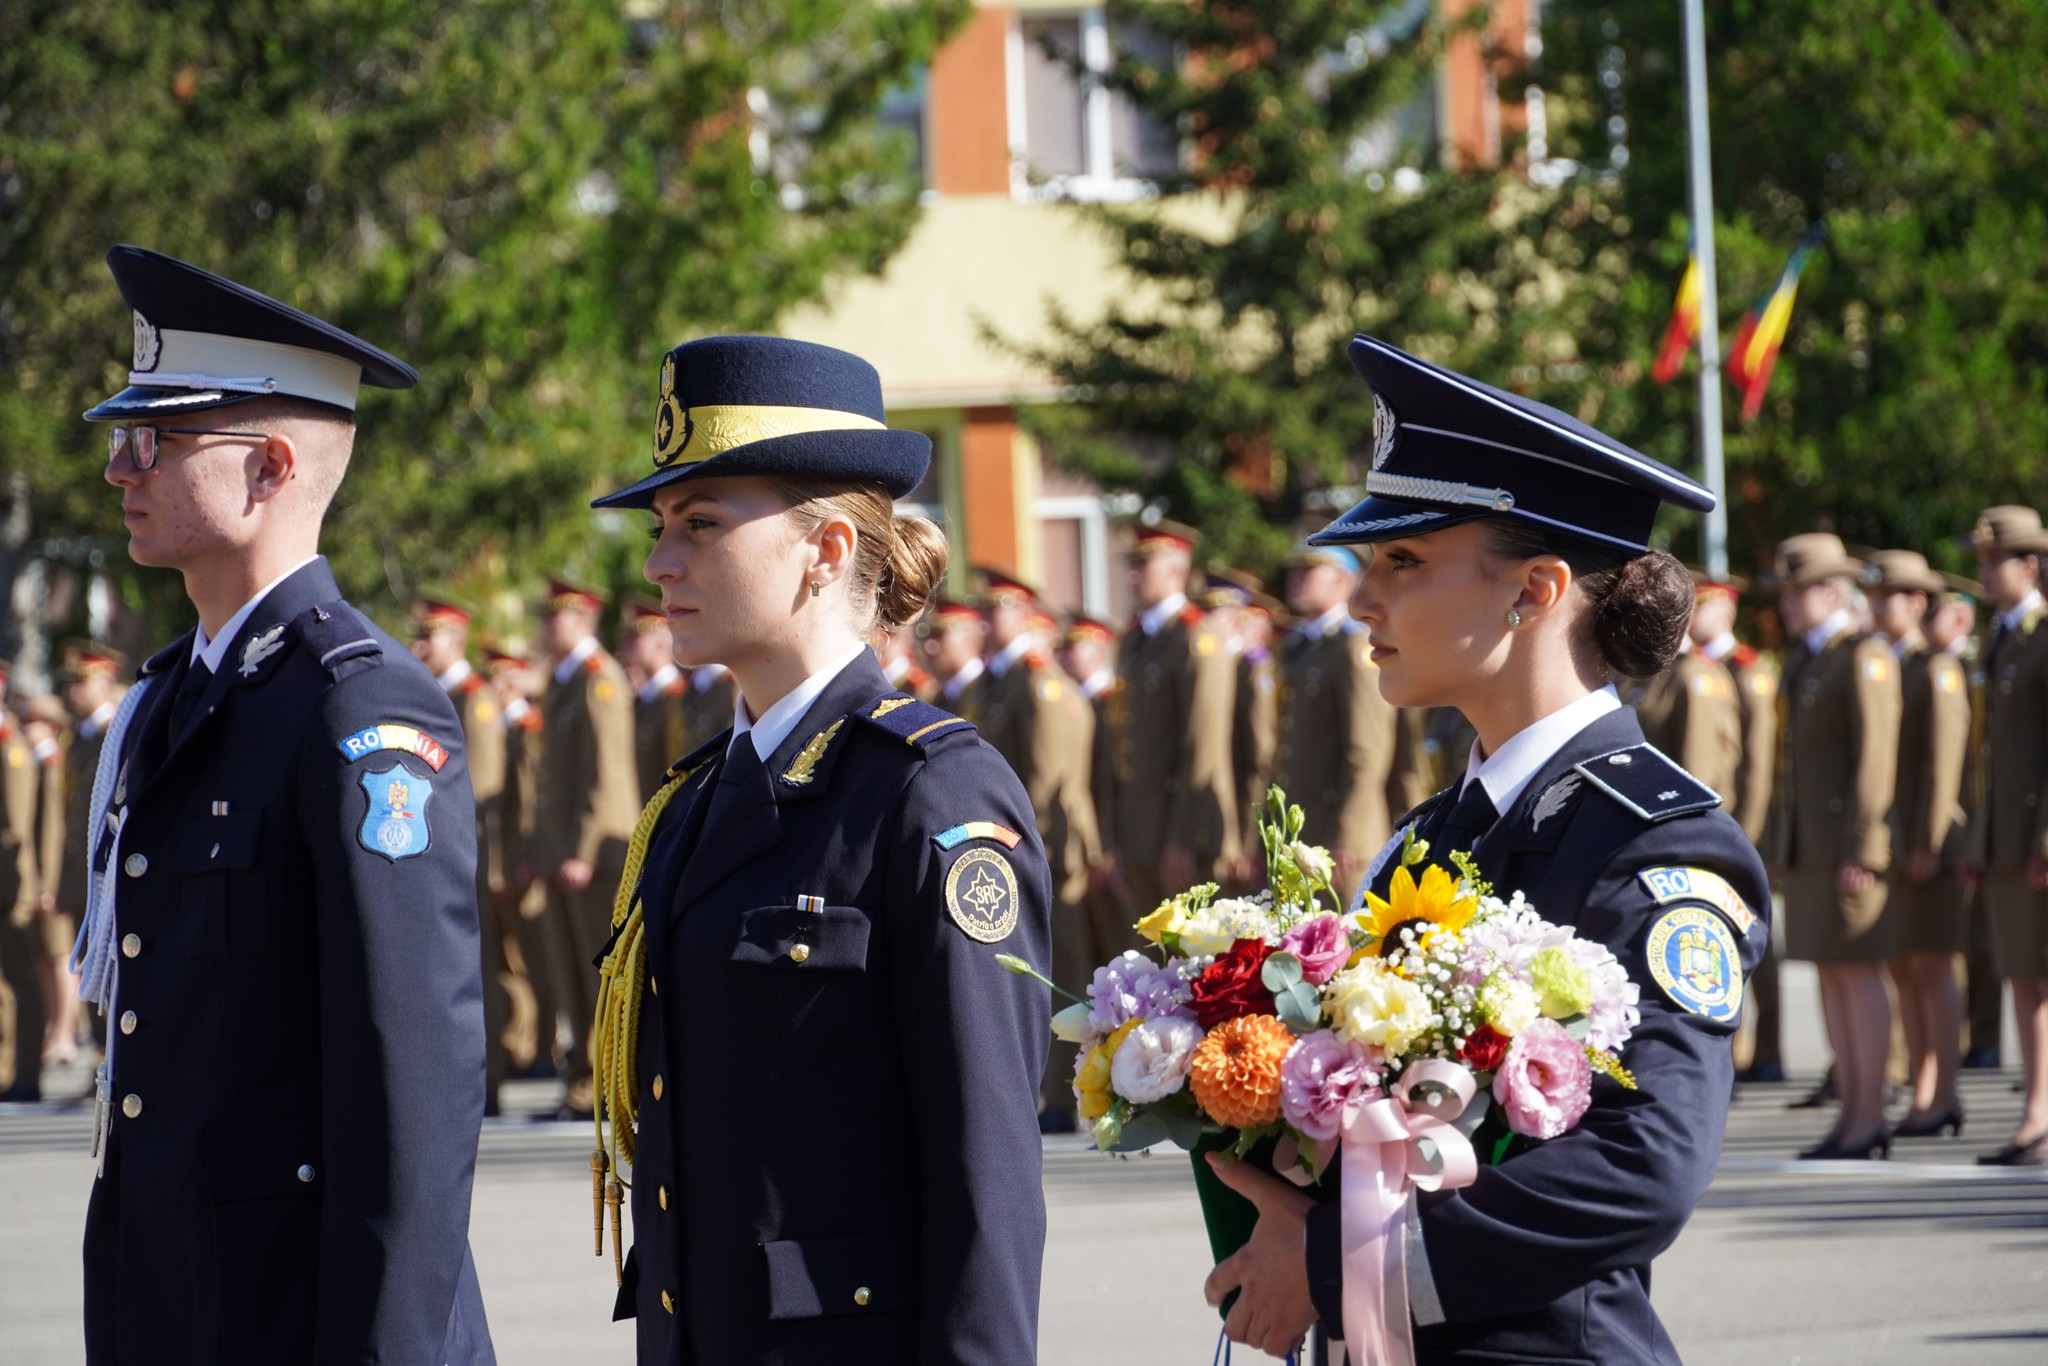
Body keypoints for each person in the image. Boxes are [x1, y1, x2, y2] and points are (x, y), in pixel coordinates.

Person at [1195, 334, 1767, 1364]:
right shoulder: (1436, 828)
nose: (1362, 599)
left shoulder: (1654, 840)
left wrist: (1332, 1265)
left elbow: (1643, 1166)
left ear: (1535, 590)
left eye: (1401, 562)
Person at [587, 334, 1049, 1362]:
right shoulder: (693, 798)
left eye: (700, 524)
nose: (661, 562)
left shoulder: (928, 790)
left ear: (827, 550)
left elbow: (986, 1177)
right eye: (661, 526)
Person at [77, 245, 491, 1362]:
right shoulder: (171, 702)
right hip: (178, 1295)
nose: (121, 470)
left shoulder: (356, 708)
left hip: (301, 1313)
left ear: (267, 466)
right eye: (123, 439)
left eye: (153, 441)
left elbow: (412, 1090)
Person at [1770, 533, 1901, 1157]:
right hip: (1811, 844)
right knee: (1830, 974)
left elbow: (1875, 758)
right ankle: (1850, 1109)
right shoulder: (1809, 659)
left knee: (1858, 971)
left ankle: (1870, 1113)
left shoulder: (1862, 655)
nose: (1789, 605)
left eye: (1799, 592)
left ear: (1831, 591)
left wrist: (1865, 846)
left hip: (1845, 846)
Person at [973, 572, 1099, 1132]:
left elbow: (1046, 782)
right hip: (1016, 845)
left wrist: (1032, 853)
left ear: (1024, 617)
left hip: (1045, 850)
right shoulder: (1001, 682)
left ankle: (1067, 1095)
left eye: (999, 610)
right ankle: (1050, 1093)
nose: (987, 620)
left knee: (1057, 973)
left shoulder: (1037, 683)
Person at [1864, 551, 1969, 1138]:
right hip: (1898, 839)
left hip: (1929, 841)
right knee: (1905, 967)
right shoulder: (1888, 662)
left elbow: (1944, 760)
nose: (1880, 606)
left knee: (1932, 967)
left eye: (1893, 597)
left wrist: (1929, 838)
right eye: (1876, 596)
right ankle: (1924, 1089)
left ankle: (1942, 1091)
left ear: (1919, 603)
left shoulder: (1936, 667)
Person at [531, 575, 639, 1119]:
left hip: (591, 856)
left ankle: (603, 1082)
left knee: (598, 970)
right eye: (545, 616)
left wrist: (586, 847)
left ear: (584, 620)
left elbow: (607, 774)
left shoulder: (599, 680)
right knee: (570, 969)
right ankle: (580, 1080)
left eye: (557, 617)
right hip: (560, 853)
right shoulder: (562, 680)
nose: (546, 626)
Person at [1964, 506, 2048, 1166]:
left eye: (1995, 561)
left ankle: (2039, 1114)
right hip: (2005, 835)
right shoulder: (2005, 637)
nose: (1984, 573)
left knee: (2037, 976)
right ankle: (2035, 1113)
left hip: (2034, 837)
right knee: (2023, 975)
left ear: (2029, 565)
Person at [412, 595, 515, 1117]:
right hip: (446, 853)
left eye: (427, 636)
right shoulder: (439, 694)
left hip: (467, 854)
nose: (416, 646)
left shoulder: (474, 698)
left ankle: (489, 1078)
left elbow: (484, 789)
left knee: (478, 972)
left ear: (454, 639)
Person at [1112, 523, 1239, 913]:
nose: (1132, 574)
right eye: (1132, 564)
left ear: (1176, 572)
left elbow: (1203, 743)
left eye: (1144, 565)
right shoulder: (1135, 640)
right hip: (1141, 831)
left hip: (1179, 832)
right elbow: (1124, 744)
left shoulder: (1195, 638)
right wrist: (1119, 838)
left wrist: (1184, 836)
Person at [1687, 575, 1785, 1082]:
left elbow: (1759, 762)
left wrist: (1747, 831)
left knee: (1754, 940)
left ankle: (1767, 1049)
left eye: (1697, 606)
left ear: (1722, 610)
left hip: (1747, 823)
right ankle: (1740, 1050)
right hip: (1729, 822)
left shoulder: (1749, 670)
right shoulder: (1701, 670)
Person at [1276, 542, 1399, 904]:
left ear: (1343, 580)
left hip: (1339, 837)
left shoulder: (1352, 646)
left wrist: (1349, 834)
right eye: (1295, 571)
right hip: (1302, 832)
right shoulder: (1299, 646)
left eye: (1310, 571)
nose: (1296, 579)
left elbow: (1367, 749)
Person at [54, 642, 126, 1064]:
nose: (73, 692)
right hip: (80, 868)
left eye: (82, 683)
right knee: (87, 964)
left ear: (107, 680)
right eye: (70, 685)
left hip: (108, 868)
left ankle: (116, 1058)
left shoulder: (116, 732)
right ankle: (102, 1056)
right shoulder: (81, 737)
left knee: (113, 968)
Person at [0, 679, 43, 1101]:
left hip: (10, 881)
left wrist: (28, 885)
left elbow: (15, 827)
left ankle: (26, 1074)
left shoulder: (10, 747)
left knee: (21, 983)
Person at [622, 599, 686, 803]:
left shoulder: (677, 698)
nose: (627, 645)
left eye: (636, 637)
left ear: (661, 643)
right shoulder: (642, 699)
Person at [923, 597, 987, 719]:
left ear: (969, 639)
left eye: (940, 635)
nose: (929, 646)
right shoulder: (938, 696)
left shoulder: (988, 690)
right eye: (927, 637)